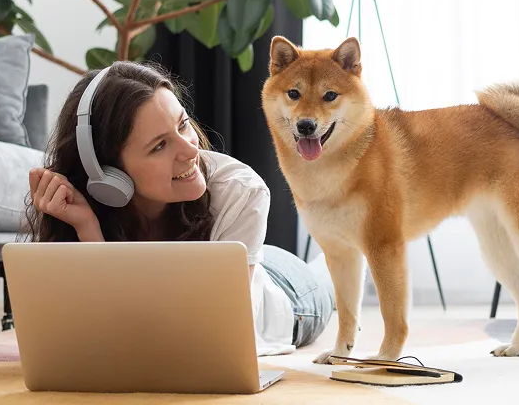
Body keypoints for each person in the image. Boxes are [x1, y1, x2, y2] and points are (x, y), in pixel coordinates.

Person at [24, 60, 334, 356]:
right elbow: (101, 328)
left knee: (328, 279)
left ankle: (329, 266)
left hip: (290, 298)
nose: (190, 149)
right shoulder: (87, 199)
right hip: (249, 252)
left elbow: (220, 333)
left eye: (182, 124)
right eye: (159, 145)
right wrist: (88, 229)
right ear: (108, 175)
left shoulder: (241, 190)